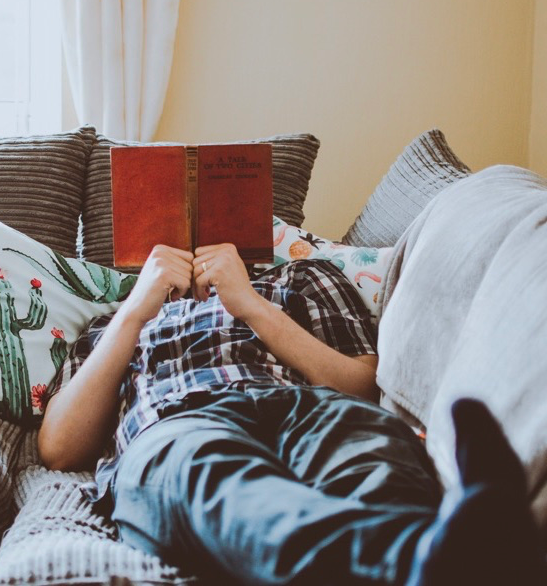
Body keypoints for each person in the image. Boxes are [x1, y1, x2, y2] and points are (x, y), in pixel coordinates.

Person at [38, 244, 545, 585]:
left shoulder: (305, 275)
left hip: (311, 410)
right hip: (179, 423)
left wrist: (250, 303)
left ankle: (442, 546)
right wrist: (133, 310)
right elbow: (59, 449)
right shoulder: (110, 323)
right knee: (215, 478)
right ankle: (432, 558)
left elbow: (363, 388)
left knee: (374, 455)